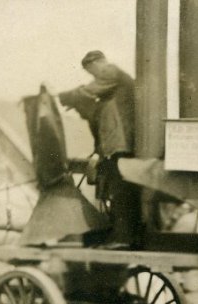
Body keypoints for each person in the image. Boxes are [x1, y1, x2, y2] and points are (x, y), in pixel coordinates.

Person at [58, 50, 140, 248]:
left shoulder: (110, 71)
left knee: (120, 189)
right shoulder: (112, 90)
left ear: (96, 63)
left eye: (90, 70)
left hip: (119, 143)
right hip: (116, 144)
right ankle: (120, 234)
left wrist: (62, 96)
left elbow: (87, 92)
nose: (91, 75)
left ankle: (123, 237)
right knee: (117, 188)